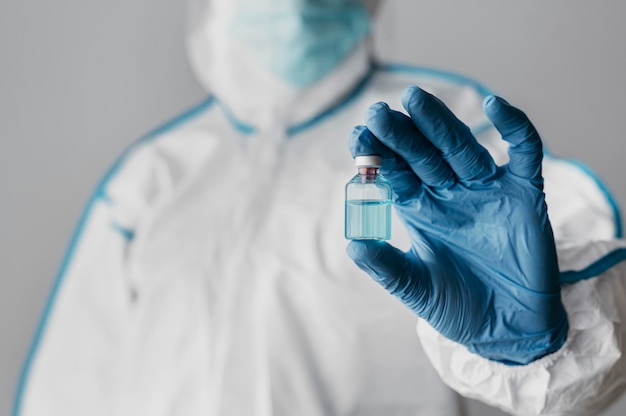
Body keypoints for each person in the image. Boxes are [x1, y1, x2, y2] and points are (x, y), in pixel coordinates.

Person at [13, 0, 626, 415]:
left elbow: (589, 276)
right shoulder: (154, 176)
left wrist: (540, 338)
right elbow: (69, 387)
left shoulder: (445, 129)